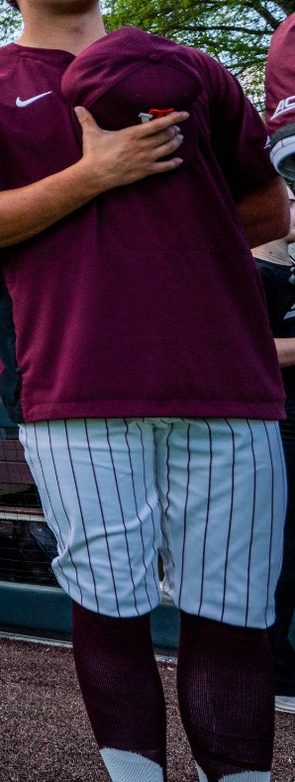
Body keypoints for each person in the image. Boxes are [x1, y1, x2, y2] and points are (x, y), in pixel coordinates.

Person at [0, 0, 289, 782]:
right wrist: (94, 175)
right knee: (110, 605)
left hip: (222, 375)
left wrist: (164, 226)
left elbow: (265, 209)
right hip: (77, 381)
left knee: (232, 612)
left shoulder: (192, 69)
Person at [250, 186, 295, 711]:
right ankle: (275, 674)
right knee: (279, 556)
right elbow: (245, 349)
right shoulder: (253, 273)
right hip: (276, 431)